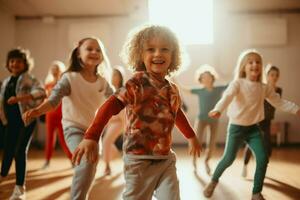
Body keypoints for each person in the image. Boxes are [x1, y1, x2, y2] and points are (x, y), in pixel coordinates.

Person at [72, 24, 201, 200]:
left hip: (165, 159)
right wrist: (92, 136)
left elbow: (176, 113)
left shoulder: (172, 89)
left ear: (173, 55)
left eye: (165, 49)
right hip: (138, 160)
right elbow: (110, 106)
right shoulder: (137, 82)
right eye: (151, 49)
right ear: (140, 55)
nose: (158, 54)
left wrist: (191, 136)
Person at [23, 37, 113, 200]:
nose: (94, 52)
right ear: (79, 54)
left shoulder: (102, 82)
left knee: (90, 166)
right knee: (86, 162)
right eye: (89, 49)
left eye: (98, 50)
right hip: (73, 129)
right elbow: (53, 101)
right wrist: (37, 111)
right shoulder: (69, 78)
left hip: (93, 132)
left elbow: (117, 99)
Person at [203, 49, 300, 200]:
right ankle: (213, 181)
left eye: (258, 62)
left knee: (262, 158)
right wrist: (218, 109)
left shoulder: (264, 87)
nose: (255, 64)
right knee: (228, 159)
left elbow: (278, 101)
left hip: (253, 129)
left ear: (261, 67)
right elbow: (227, 97)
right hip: (236, 128)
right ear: (243, 67)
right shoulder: (238, 84)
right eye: (250, 62)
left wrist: (296, 109)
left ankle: (256, 193)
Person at [0, 48, 46, 200]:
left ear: (25, 64)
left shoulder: (30, 79)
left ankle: (20, 189)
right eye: (12, 61)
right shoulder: (6, 82)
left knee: (20, 152)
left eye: (19, 61)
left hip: (26, 121)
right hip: (10, 123)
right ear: (8, 64)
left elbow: (41, 92)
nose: (15, 64)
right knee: (7, 152)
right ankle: (3, 176)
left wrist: (20, 98)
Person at [177, 64, 226, 174]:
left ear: (212, 78)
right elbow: (184, 89)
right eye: (203, 77)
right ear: (201, 80)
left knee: (212, 143)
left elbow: (231, 86)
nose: (206, 79)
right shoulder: (199, 90)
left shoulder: (218, 89)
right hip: (201, 120)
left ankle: (207, 161)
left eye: (208, 77)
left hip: (214, 121)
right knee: (195, 140)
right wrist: (175, 79)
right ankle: (194, 161)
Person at [242, 64, 282, 177]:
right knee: (251, 145)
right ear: (267, 76)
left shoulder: (279, 90)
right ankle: (245, 165)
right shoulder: (261, 87)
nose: (274, 77)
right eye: (272, 75)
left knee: (268, 147)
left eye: (276, 75)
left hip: (267, 121)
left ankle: (261, 166)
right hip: (256, 120)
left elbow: (277, 103)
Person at [42, 60, 72, 169]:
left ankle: (72, 160)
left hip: (61, 115)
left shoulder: (64, 84)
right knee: (49, 139)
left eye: (57, 69)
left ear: (61, 70)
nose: (55, 71)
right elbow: (45, 100)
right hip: (50, 115)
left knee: (64, 139)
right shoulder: (48, 85)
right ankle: (47, 161)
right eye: (53, 69)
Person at [102, 66, 126, 176]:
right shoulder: (108, 91)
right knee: (105, 142)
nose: (113, 77)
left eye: (116, 75)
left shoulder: (123, 91)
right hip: (110, 121)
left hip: (119, 122)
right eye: (113, 75)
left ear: (120, 77)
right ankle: (116, 154)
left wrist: (125, 125)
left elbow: (124, 110)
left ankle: (107, 167)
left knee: (106, 141)